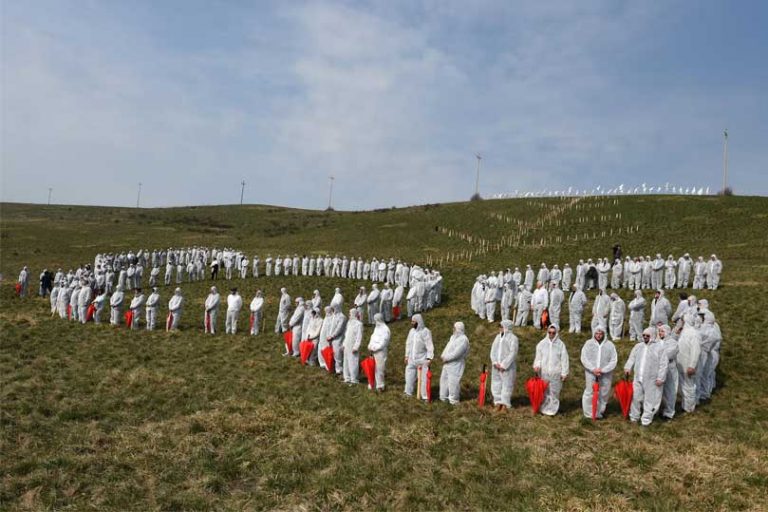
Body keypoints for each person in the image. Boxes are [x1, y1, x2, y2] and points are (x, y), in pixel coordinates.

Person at [624, 328, 667, 426]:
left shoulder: (659, 348)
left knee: (649, 400)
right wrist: (628, 367)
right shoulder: (638, 346)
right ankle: (634, 417)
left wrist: (661, 377)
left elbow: (663, 364)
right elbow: (632, 358)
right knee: (635, 398)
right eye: (644, 335)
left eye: (647, 336)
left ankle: (646, 420)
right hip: (638, 377)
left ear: (652, 335)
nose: (645, 337)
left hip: (651, 379)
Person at [580, 325, 617, 419]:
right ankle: (589, 413)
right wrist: (593, 369)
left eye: (601, 333)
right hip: (591, 373)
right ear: (594, 333)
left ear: (604, 334)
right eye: (597, 333)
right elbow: (584, 358)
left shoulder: (610, 345)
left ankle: (599, 412)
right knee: (590, 391)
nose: (599, 335)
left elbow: (613, 360)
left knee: (604, 392)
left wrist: (603, 370)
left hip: (605, 374)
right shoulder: (588, 344)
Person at [533, 325, 569, 416]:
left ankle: (552, 410)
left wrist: (564, 372)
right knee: (545, 391)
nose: (551, 334)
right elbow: (538, 357)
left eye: (553, 332)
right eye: (549, 332)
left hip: (555, 372)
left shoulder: (561, 345)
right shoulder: (542, 343)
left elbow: (564, 359)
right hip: (544, 372)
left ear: (556, 333)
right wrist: (537, 365)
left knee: (554, 392)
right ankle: (544, 408)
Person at [490, 320, 518, 410]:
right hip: (496, 367)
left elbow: (513, 353)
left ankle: (505, 404)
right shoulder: (497, 337)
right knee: (496, 383)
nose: (499, 328)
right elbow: (493, 351)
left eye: (501, 326)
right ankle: (498, 402)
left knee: (507, 384)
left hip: (507, 367)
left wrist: (504, 365)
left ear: (506, 327)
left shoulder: (513, 338)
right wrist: (494, 362)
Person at [404, 314, 434, 399]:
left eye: (414, 321)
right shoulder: (411, 331)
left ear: (418, 322)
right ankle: (408, 392)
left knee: (424, 379)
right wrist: (406, 356)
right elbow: (408, 344)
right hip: (411, 358)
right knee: (409, 375)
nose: (412, 323)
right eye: (412, 321)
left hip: (422, 359)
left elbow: (429, 345)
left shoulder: (425, 331)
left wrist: (429, 357)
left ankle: (424, 396)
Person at [439, 321, 470, 405]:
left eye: (454, 328)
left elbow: (457, 353)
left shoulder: (463, 340)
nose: (453, 329)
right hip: (447, 363)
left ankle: (454, 401)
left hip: (456, 364)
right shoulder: (453, 337)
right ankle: (443, 398)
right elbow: (447, 347)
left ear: (459, 329)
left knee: (453, 382)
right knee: (444, 380)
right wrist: (443, 355)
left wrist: (447, 358)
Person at [658, 325, 679, 420]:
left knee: (670, 391)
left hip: (670, 369)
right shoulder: (657, 342)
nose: (660, 333)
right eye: (659, 331)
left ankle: (669, 412)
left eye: (662, 331)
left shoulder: (673, 343)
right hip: (658, 369)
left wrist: (657, 356)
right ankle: (657, 409)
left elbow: (668, 355)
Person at [367, 313, 391, 391]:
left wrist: (375, 348)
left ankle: (380, 386)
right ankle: (373, 383)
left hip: (380, 352)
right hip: (373, 351)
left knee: (380, 368)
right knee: (372, 367)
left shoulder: (385, 329)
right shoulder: (376, 328)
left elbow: (384, 342)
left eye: (376, 320)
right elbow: (373, 337)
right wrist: (370, 346)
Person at [342, 308, 363, 383]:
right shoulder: (349, 323)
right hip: (347, 344)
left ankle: (354, 378)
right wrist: (344, 344)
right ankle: (347, 377)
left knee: (353, 361)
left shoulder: (359, 324)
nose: (349, 315)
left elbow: (359, 336)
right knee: (346, 361)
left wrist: (356, 347)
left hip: (353, 345)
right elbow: (346, 335)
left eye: (350, 313)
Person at [329, 306, 347, 374]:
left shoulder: (342, 317)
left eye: (333, 308)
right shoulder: (334, 316)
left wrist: (333, 336)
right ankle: (335, 368)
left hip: (338, 338)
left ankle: (339, 369)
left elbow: (339, 328)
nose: (333, 310)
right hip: (332, 338)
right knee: (334, 353)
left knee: (338, 353)